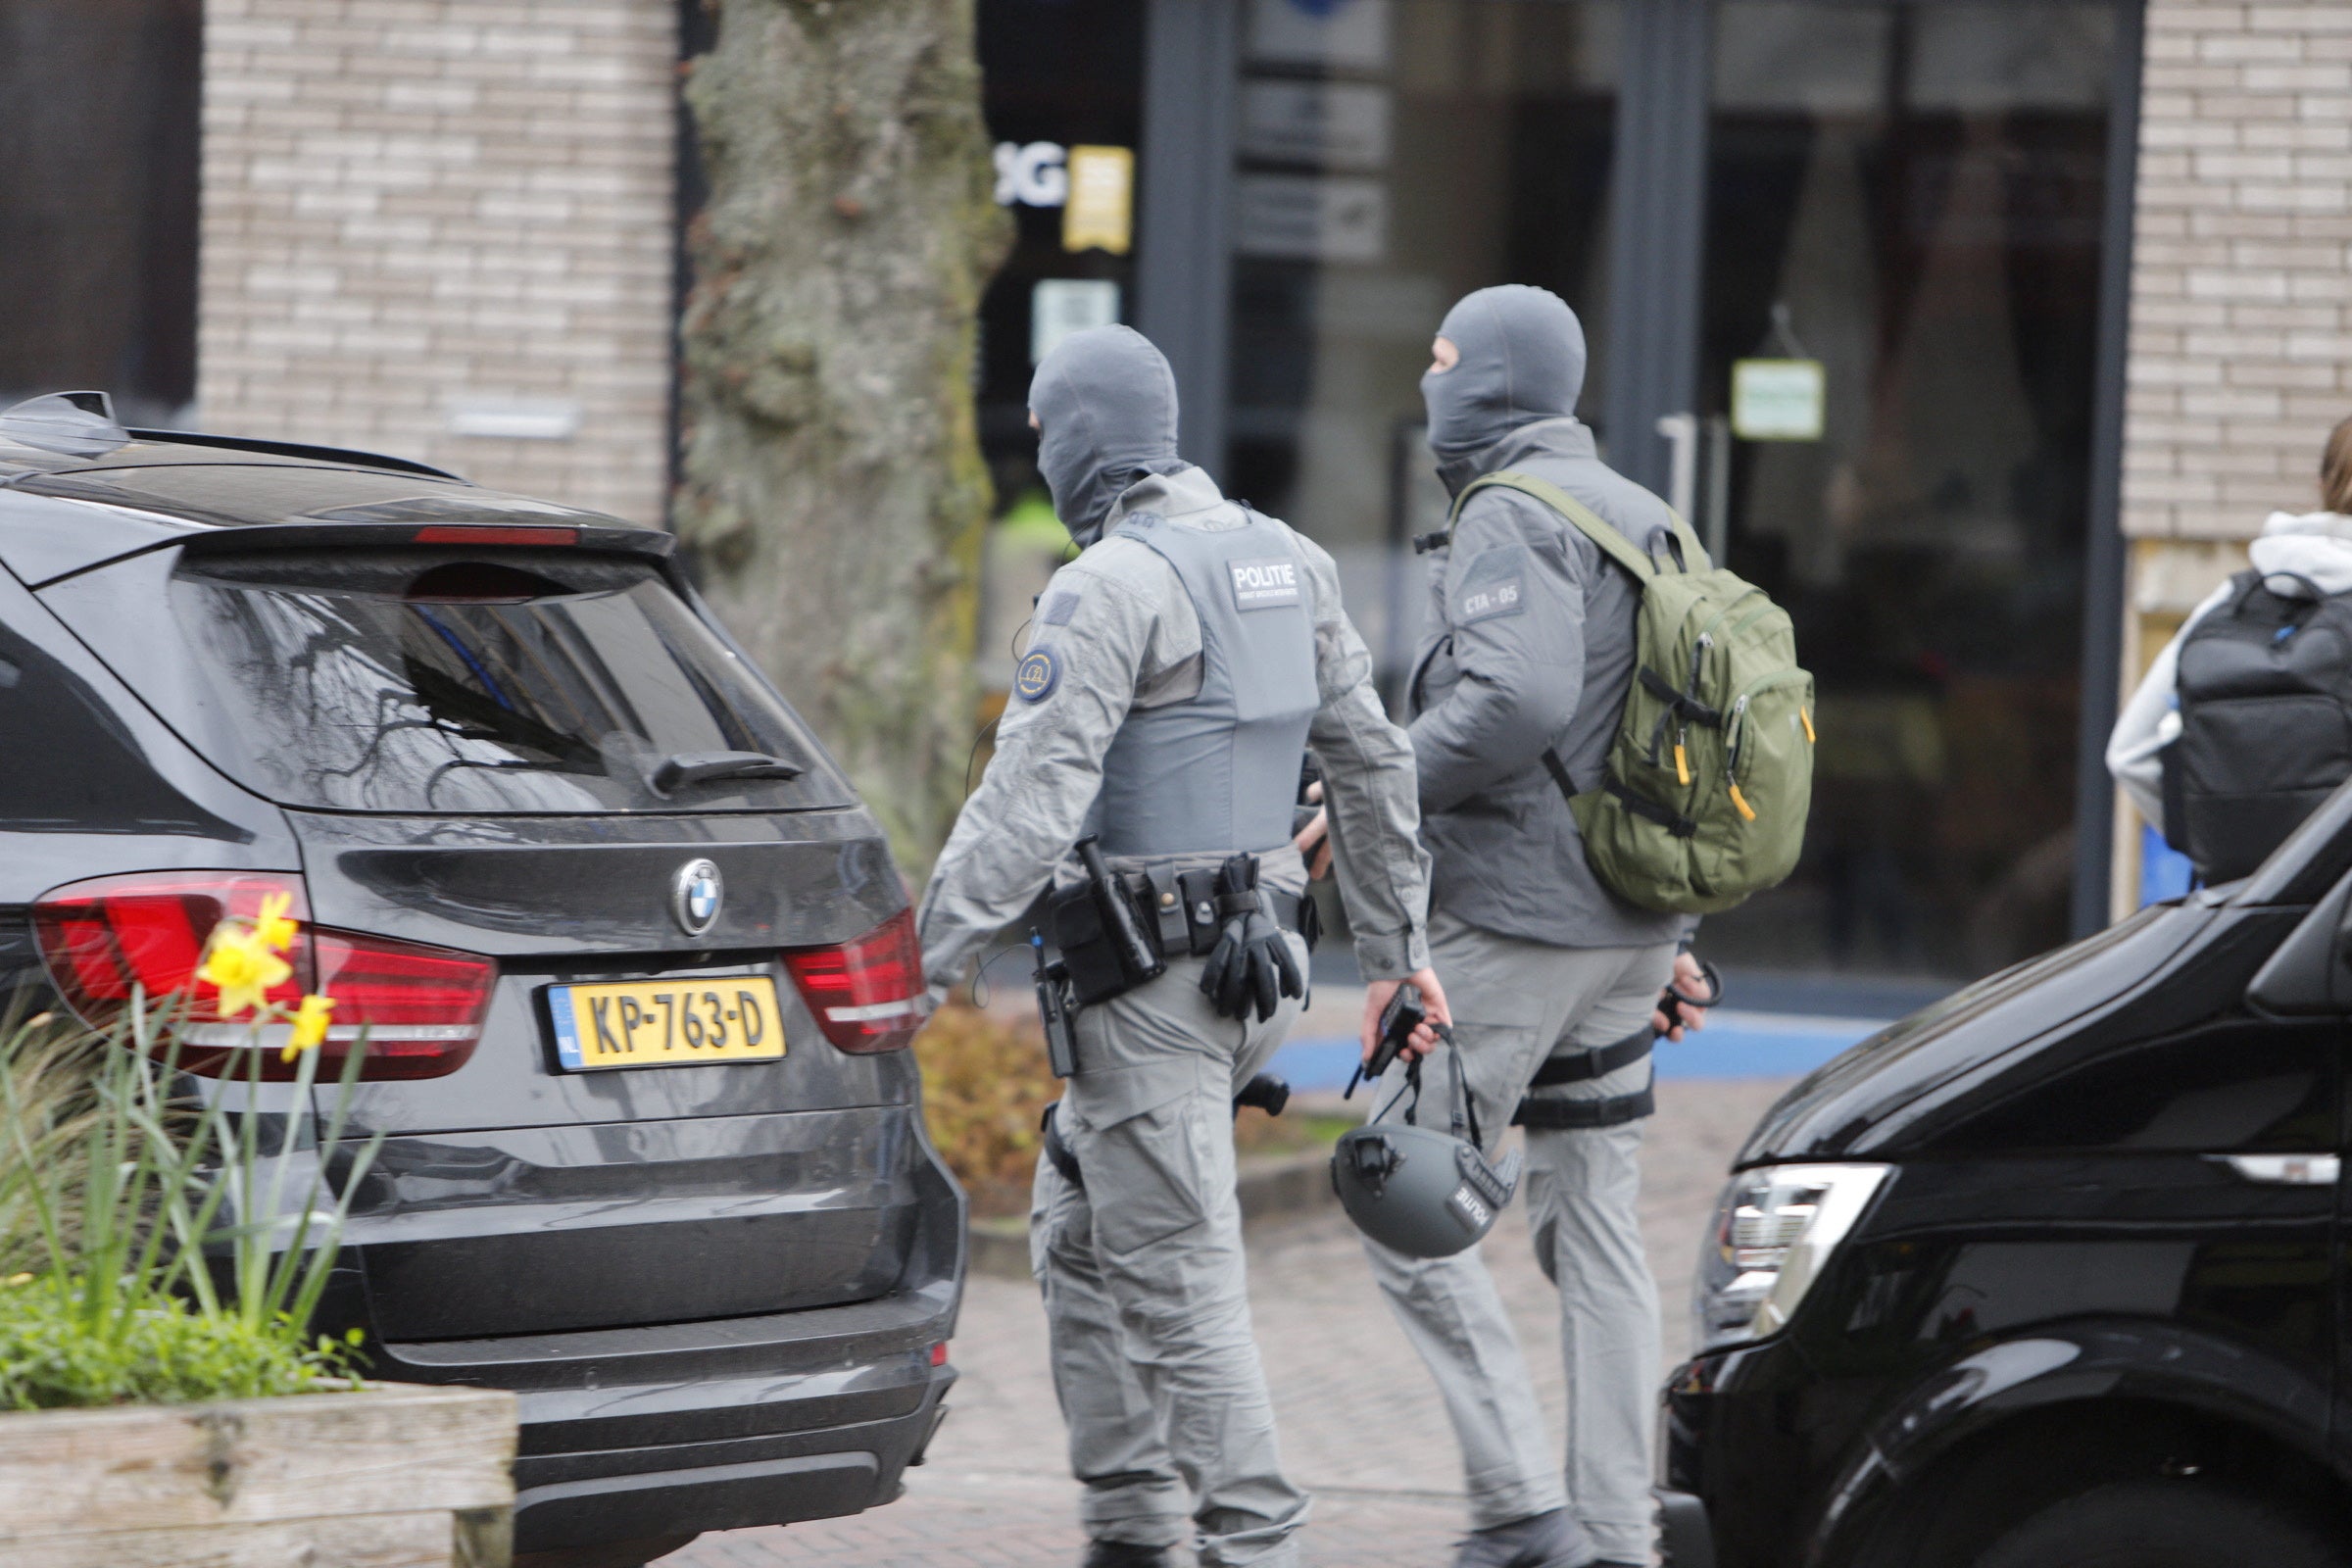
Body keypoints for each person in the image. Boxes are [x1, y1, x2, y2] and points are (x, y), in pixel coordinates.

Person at [916, 324, 1445, 1568]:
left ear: (1084, 437)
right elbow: (1372, 763)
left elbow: (1027, 806)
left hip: (1151, 990)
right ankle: (1132, 1529)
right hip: (1258, 969)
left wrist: (917, 972)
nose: (1040, 456)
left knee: (1182, 1286)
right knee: (1078, 1229)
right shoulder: (1288, 558)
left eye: (1046, 434)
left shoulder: (1112, 585)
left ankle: (1252, 1543)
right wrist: (1395, 953)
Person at [1298, 285, 1709, 1568]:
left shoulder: (1514, 514)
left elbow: (1518, 702)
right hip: (1634, 931)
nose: (1429, 383)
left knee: (1399, 1190)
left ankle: (1525, 1513)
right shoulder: (1649, 516)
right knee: (1592, 1226)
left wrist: (1377, 783)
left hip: (1523, 925)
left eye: (1443, 360)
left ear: (1495, 381)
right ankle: (1616, 1535)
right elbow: (1670, 736)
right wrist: (1680, 932)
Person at [2109, 413, 2352, 863]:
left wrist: (2217, 854)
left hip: (2248, 913)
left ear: (2320, 487)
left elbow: (2130, 754)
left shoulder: (2238, 597)